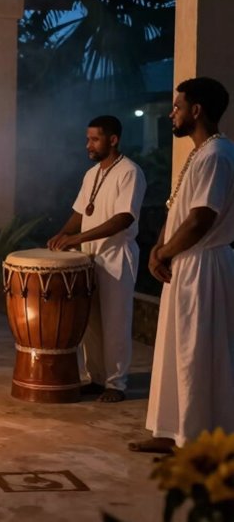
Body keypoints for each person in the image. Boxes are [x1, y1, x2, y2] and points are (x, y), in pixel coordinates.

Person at [130, 77, 234, 453]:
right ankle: (169, 429)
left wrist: (164, 253)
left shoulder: (217, 154)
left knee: (195, 352)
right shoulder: (201, 152)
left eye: (177, 106)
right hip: (186, 265)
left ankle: (194, 440)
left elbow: (201, 218)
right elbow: (178, 210)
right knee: (175, 351)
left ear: (197, 110)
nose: (171, 113)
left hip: (203, 266)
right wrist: (160, 247)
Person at [48, 115, 146, 404]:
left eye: (94, 139)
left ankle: (117, 383)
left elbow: (124, 218)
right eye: (88, 138)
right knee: (90, 322)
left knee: (115, 321)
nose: (88, 144)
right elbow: (81, 212)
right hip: (90, 258)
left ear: (112, 139)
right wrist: (62, 234)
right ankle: (97, 378)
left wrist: (76, 239)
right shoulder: (91, 174)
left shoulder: (130, 172)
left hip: (117, 257)